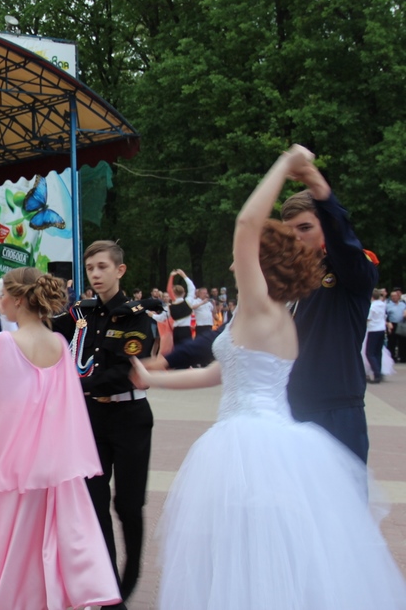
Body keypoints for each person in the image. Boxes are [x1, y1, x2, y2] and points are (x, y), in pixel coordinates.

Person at [132, 145, 406, 609]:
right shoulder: (278, 303)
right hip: (287, 422)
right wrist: (162, 368)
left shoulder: (352, 274)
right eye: (291, 230)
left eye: (307, 228)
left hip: (328, 415)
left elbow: (258, 229)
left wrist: (309, 181)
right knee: (276, 542)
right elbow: (226, 353)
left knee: (332, 536)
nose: (297, 238)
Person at [0, 267, 121, 610]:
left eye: (2, 293)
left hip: (12, 461)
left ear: (18, 300)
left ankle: (5, 599)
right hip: (51, 460)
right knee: (43, 538)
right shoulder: (59, 344)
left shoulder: (3, 342)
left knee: (7, 535)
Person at [51, 241, 156, 610]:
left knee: (127, 505)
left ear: (119, 270)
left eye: (102, 267)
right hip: (92, 420)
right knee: (94, 504)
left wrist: (76, 386)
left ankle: (130, 578)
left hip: (129, 418)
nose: (95, 274)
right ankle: (109, 591)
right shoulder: (82, 313)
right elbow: (47, 332)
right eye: (90, 268)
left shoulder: (138, 317)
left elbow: (127, 372)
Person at [365, 288, 386, 384]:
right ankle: (379, 372)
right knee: (378, 352)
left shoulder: (372, 306)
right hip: (381, 328)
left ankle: (377, 373)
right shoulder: (382, 304)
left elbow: (368, 318)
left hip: (373, 329)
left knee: (370, 353)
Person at [386, 287, 406, 363]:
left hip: (401, 324)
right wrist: (388, 323)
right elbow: (385, 315)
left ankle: (403, 357)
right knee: (392, 342)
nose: (394, 297)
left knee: (402, 342)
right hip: (392, 324)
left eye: (396, 296)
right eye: (392, 296)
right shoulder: (388, 305)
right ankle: (392, 357)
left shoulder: (403, 304)